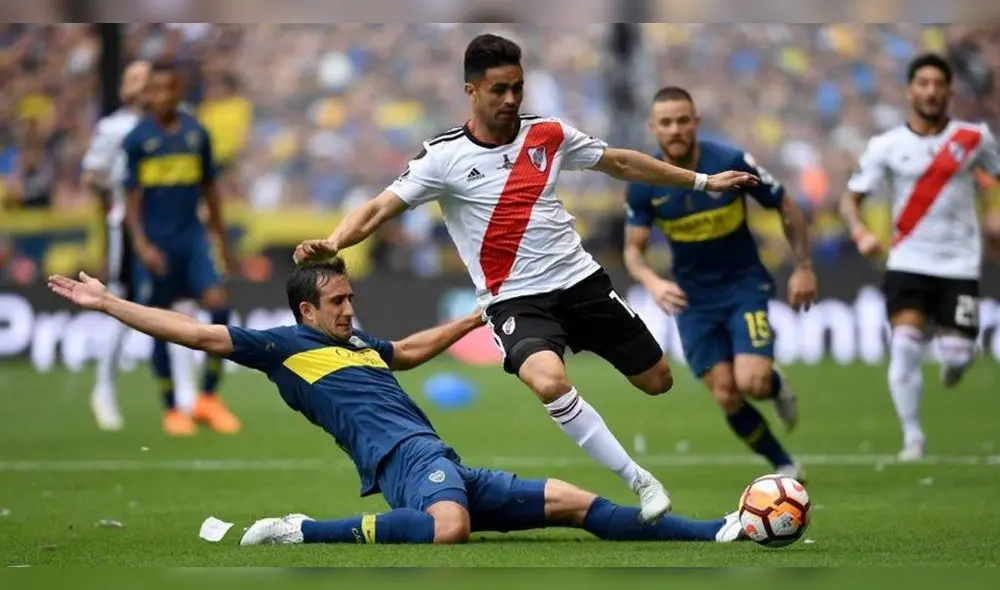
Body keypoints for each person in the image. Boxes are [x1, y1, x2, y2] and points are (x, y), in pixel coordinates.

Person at [293, 33, 759, 523]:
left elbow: (620, 161)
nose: (511, 99)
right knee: (548, 379)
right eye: (499, 90)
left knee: (658, 380)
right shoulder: (442, 157)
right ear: (471, 91)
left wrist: (704, 181)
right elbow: (377, 210)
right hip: (515, 300)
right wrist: (335, 242)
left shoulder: (549, 134)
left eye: (518, 87)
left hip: (582, 283)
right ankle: (639, 480)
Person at [45, 259, 746, 546]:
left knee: (578, 504)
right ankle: (300, 529)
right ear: (305, 309)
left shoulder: (358, 345)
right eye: (340, 300)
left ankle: (718, 529)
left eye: (351, 297)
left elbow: (406, 352)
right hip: (404, 456)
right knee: (446, 531)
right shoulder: (281, 347)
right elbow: (194, 332)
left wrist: (473, 320)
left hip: (436, 459)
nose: (352, 307)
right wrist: (108, 302)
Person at [622, 87, 815, 481]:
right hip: (692, 302)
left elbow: (784, 204)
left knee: (753, 382)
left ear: (695, 122)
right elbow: (632, 252)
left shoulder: (729, 161)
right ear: (653, 128)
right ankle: (783, 465)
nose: (675, 129)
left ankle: (775, 385)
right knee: (726, 393)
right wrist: (652, 282)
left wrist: (803, 266)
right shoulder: (646, 181)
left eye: (682, 120)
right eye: (666, 122)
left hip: (744, 287)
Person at [840, 53, 1000, 462]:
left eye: (938, 84)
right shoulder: (887, 145)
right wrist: (860, 232)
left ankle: (958, 359)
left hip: (960, 263)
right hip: (907, 260)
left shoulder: (974, 138)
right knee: (906, 347)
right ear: (910, 90)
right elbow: (850, 199)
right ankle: (913, 438)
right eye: (923, 83)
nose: (930, 91)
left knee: (957, 356)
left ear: (949, 90)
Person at [122, 59, 240, 436]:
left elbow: (212, 192)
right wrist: (140, 245)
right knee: (158, 326)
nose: (162, 96)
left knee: (220, 309)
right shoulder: (138, 138)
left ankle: (207, 396)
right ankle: (172, 408)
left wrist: (222, 243)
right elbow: (131, 200)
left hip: (193, 241)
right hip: (157, 245)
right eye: (156, 90)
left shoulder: (196, 134)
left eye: (169, 89)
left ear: (180, 91)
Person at [81, 59, 200, 431]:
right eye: (134, 78)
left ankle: (187, 397)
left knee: (180, 304)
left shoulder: (177, 119)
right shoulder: (114, 127)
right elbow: (91, 176)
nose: (143, 85)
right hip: (131, 228)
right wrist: (123, 188)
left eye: (147, 78)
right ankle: (103, 389)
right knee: (119, 301)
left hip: (171, 226)